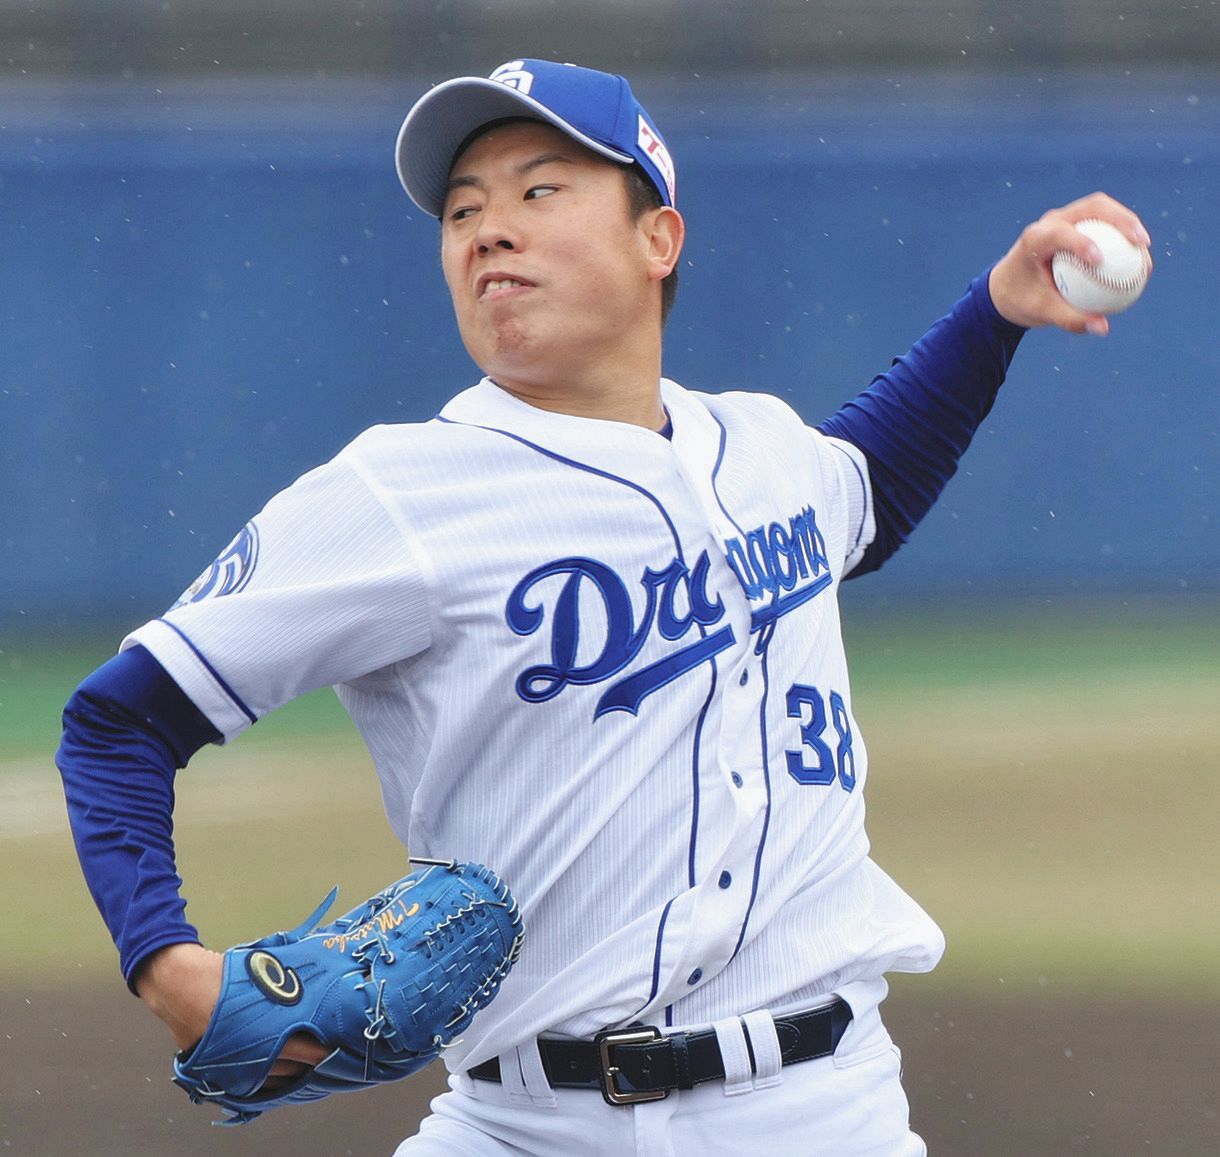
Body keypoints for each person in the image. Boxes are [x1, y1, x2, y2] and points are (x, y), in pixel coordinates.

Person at [57, 58, 1151, 1155]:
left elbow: (865, 487)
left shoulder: (761, 446)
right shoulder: (398, 494)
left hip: (822, 1108)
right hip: (519, 1122)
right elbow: (120, 721)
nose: (488, 229)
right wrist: (169, 963)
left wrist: (994, 313)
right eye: (461, 209)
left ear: (655, 239)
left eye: (538, 192)